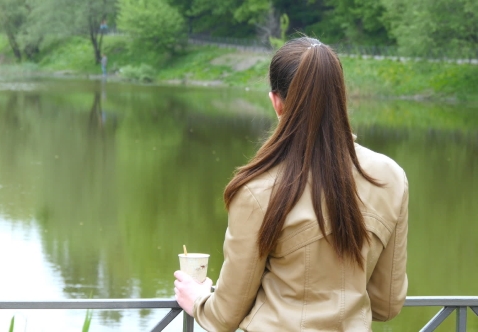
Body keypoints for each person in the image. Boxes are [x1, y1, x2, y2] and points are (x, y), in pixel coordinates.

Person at [174, 36, 408, 331]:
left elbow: (225, 316)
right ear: (341, 98)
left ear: (276, 102)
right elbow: (387, 303)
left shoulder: (257, 188)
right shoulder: (390, 177)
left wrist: (198, 299)